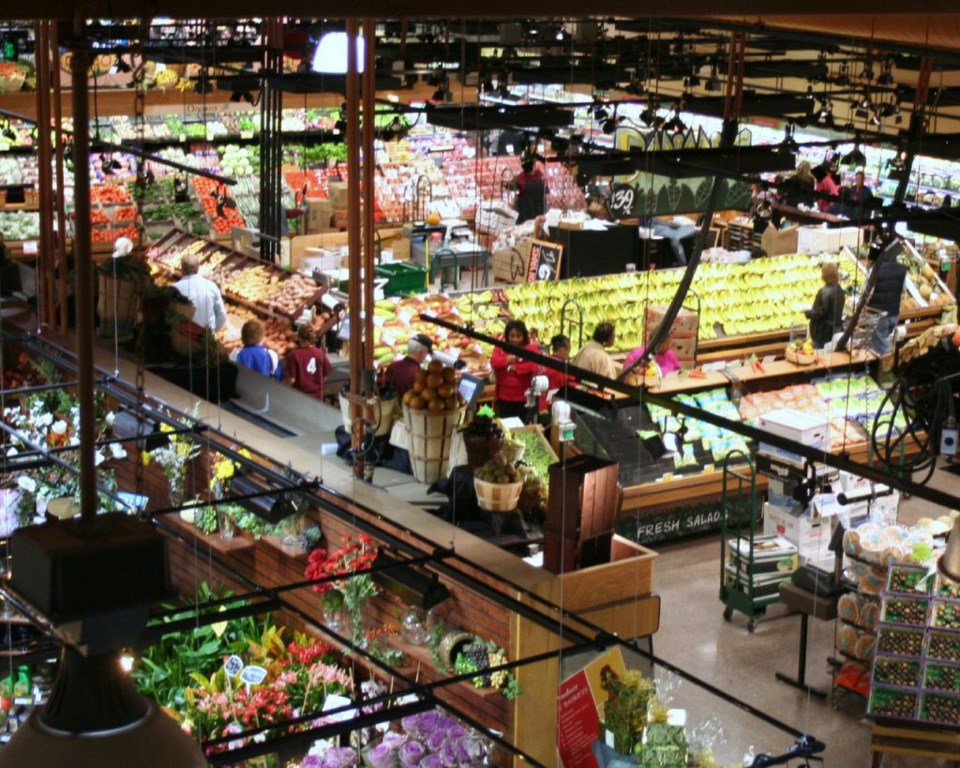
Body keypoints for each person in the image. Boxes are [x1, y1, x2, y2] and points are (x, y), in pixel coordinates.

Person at [490, 319, 542, 419]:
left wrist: (516, 368)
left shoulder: (530, 349)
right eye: (512, 336)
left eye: (518, 336)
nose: (515, 340)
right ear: (507, 336)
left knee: (521, 425)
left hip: (523, 396)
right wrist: (508, 361)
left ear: (524, 336)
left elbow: (533, 367)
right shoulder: (500, 347)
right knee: (506, 424)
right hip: (504, 396)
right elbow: (494, 362)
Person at [172, 252, 227, 333]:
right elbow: (221, 316)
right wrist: (212, 332)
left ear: (182, 269)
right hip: (206, 338)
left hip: (183, 337)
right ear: (198, 269)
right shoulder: (211, 286)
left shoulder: (174, 288)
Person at [867, 247, 907, 356]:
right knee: (886, 340)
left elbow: (868, 292)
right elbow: (904, 290)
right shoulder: (902, 269)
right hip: (894, 313)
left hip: (878, 314)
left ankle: (883, 369)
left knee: (878, 347)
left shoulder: (875, 269)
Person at [284, 324, 333, 400]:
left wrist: (282, 387)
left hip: (300, 397)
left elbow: (291, 380)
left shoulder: (293, 355)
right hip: (317, 397)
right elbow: (325, 376)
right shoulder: (320, 353)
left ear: (299, 338)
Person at [804, 262, 845, 349]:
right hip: (835, 330)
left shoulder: (823, 292)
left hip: (822, 332)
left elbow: (820, 312)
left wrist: (807, 312)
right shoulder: (840, 290)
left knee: (820, 355)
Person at [385, 333, 432, 398]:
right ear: (422, 352)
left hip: (393, 405)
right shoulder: (418, 374)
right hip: (409, 406)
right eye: (427, 353)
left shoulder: (392, 366)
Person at [513, 153, 548, 224]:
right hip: (527, 213)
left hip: (540, 209)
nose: (535, 165)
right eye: (534, 163)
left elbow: (546, 191)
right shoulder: (519, 178)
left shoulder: (539, 174)